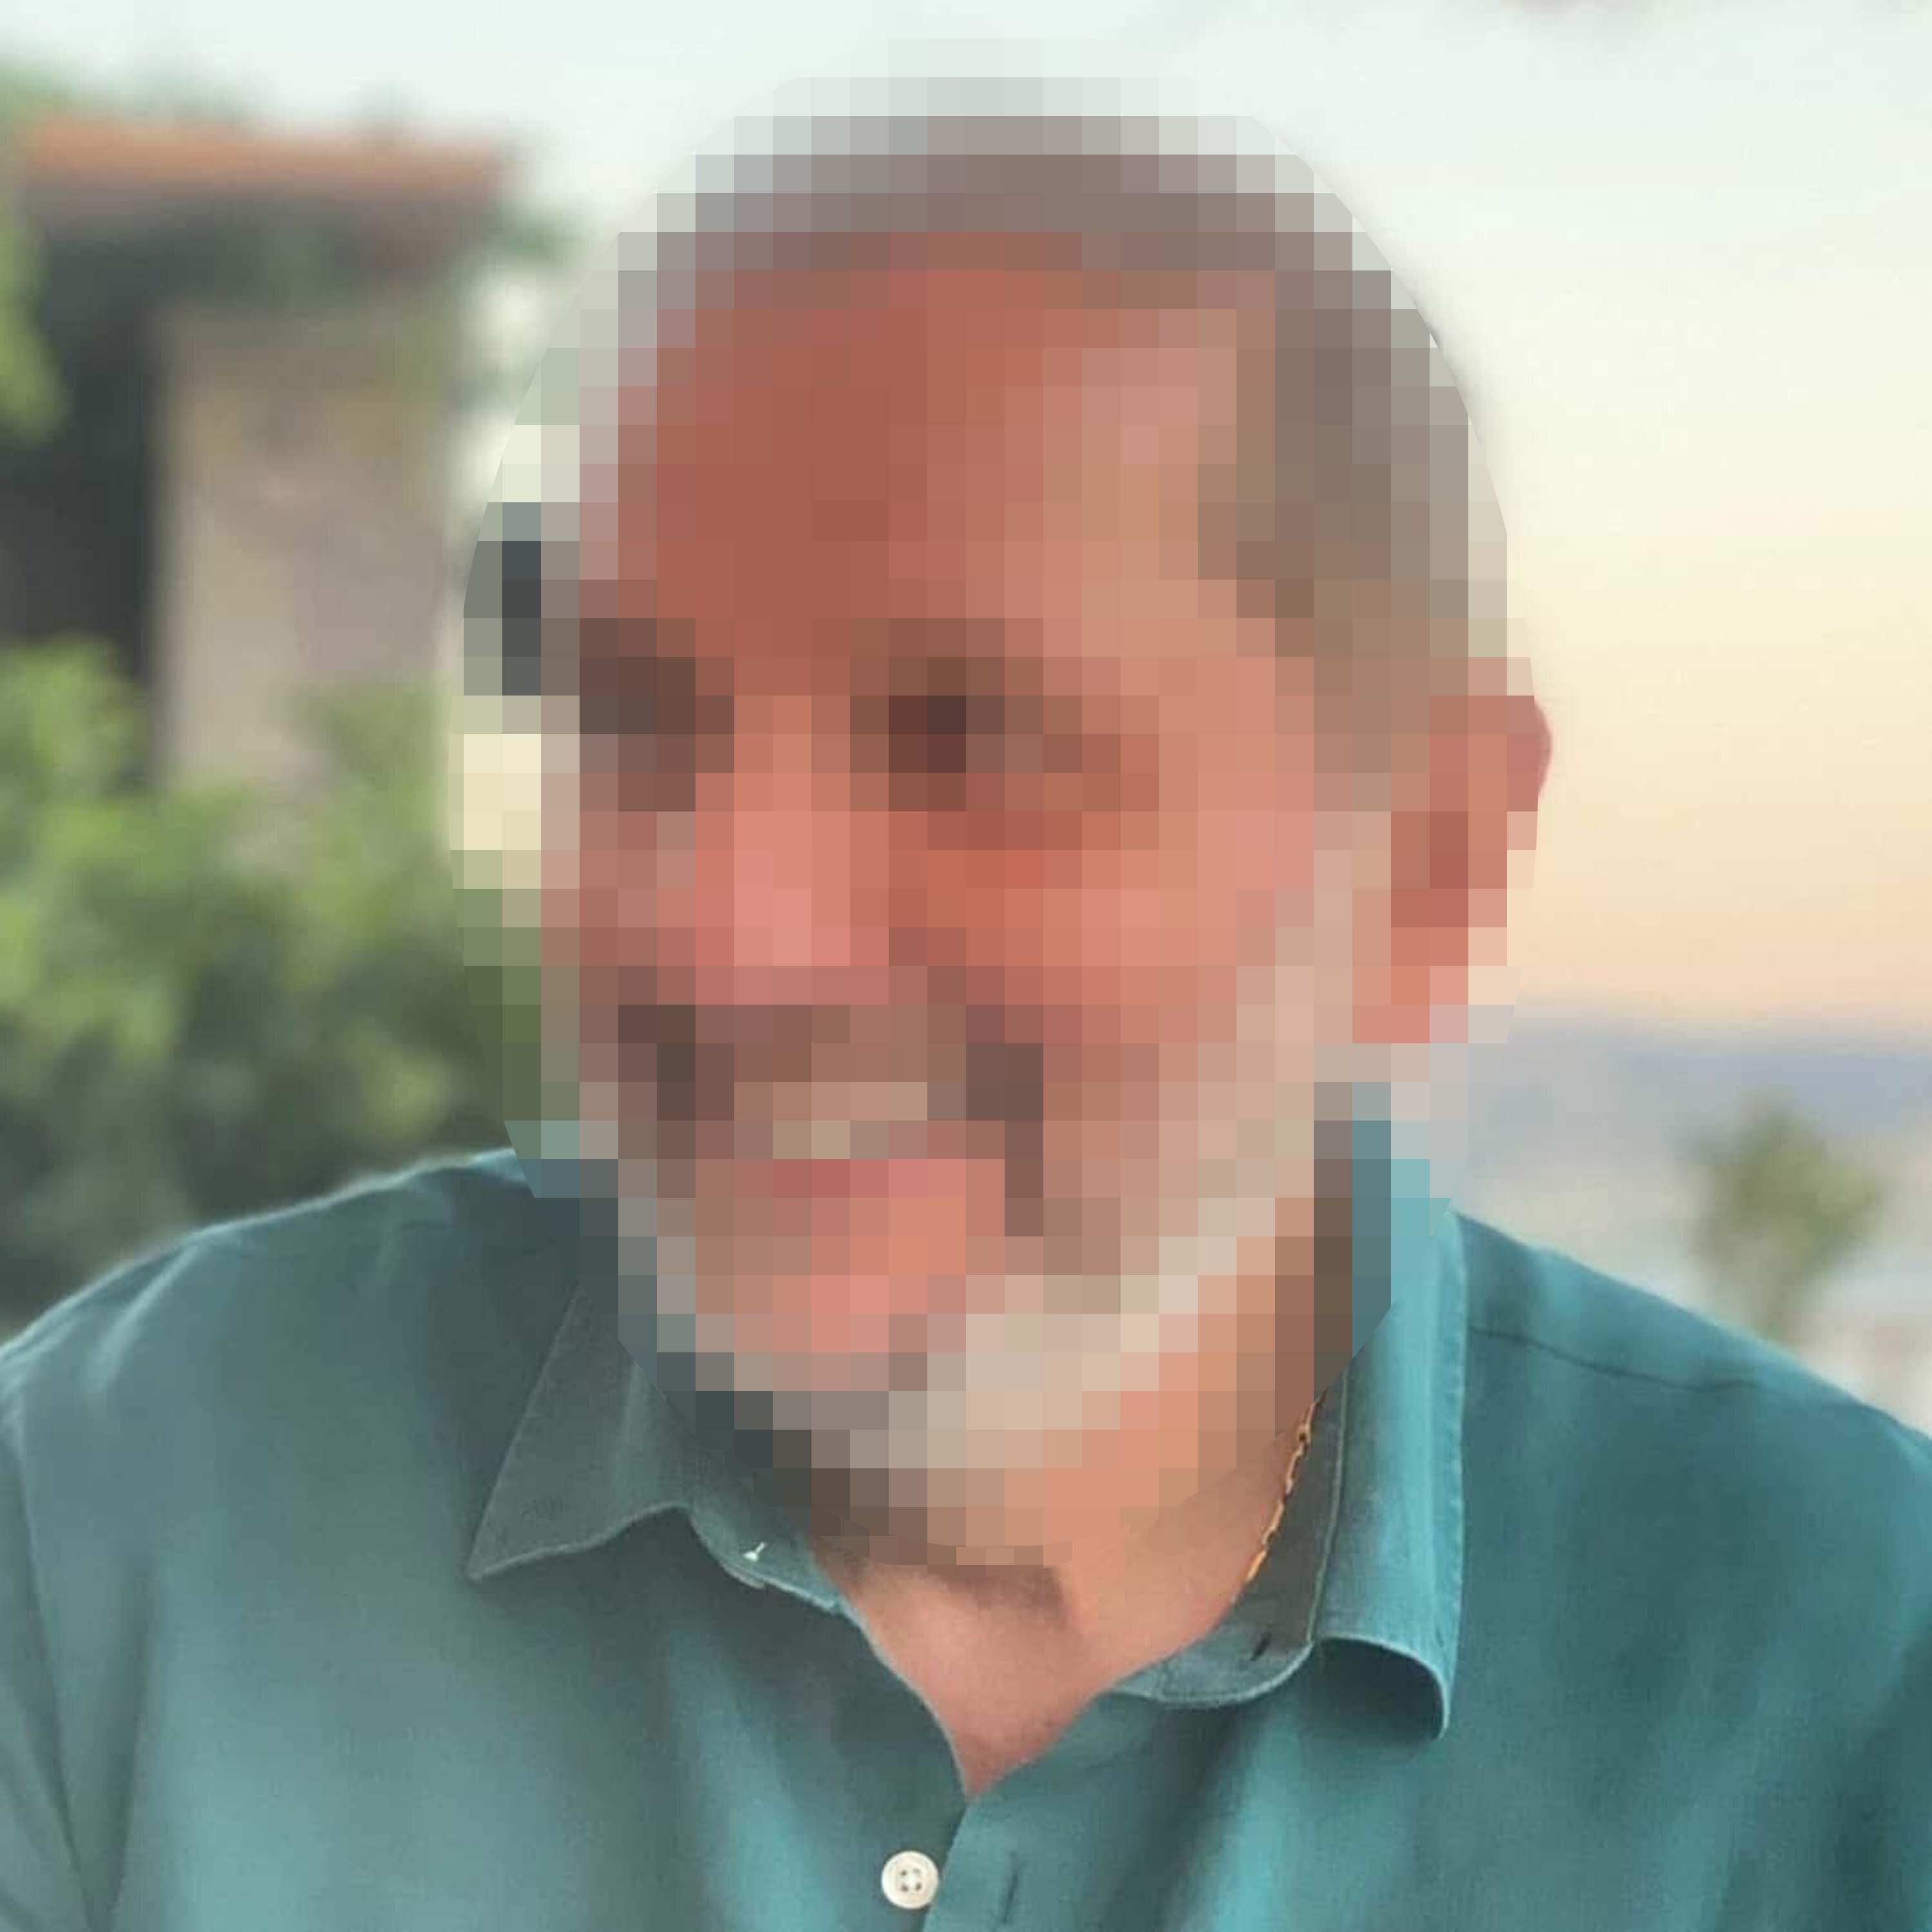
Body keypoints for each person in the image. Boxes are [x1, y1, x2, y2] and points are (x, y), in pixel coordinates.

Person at [2, 90, 1926, 1932]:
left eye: (972, 740)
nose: (728, 941)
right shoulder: (115, 1519)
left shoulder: (1856, 1682)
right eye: (633, 722)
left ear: (1423, 863)